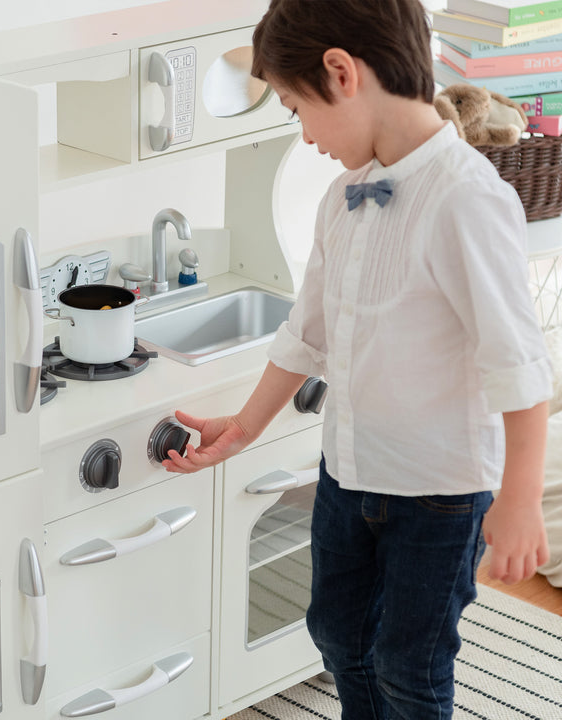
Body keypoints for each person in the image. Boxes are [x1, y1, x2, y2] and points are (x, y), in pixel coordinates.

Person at [161, 0, 554, 718]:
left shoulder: (468, 199)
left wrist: (521, 499)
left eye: (295, 107)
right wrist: (244, 426)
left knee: (410, 664)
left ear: (341, 73)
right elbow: (305, 333)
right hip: (346, 471)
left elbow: (519, 368)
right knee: (338, 633)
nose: (304, 136)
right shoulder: (342, 198)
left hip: (438, 496)